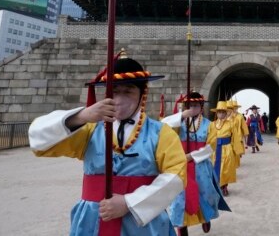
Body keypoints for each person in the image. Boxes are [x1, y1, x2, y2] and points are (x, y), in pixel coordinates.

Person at [28, 50, 186, 236]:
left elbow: (176, 176)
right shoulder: (89, 130)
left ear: (142, 94)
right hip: (93, 219)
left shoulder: (161, 133)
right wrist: (80, 116)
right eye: (115, 91)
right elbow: (38, 140)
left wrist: (129, 202)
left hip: (143, 223)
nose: (120, 99)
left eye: (128, 91)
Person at [161, 91, 230, 236]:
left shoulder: (208, 125)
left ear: (201, 107)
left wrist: (191, 156)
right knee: (179, 198)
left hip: (201, 165)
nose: (193, 108)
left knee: (205, 194)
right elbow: (162, 125)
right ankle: (181, 225)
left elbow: (210, 147)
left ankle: (205, 218)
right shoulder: (179, 122)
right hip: (181, 165)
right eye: (190, 105)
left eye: (196, 105)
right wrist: (183, 116)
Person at [209, 101, 240, 196]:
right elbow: (209, 138)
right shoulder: (212, 124)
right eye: (219, 112)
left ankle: (224, 187)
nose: (221, 114)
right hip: (215, 149)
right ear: (216, 113)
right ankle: (215, 186)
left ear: (226, 113)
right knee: (214, 168)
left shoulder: (231, 124)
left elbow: (235, 137)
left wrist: (237, 151)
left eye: (223, 112)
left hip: (227, 149)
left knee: (225, 169)